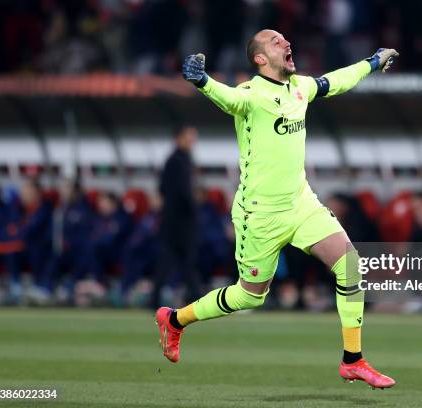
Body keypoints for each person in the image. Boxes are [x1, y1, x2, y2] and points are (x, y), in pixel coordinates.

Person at [155, 29, 398, 389]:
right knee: (249, 295)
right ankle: (175, 320)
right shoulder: (251, 94)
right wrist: (202, 81)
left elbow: (336, 81)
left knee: (350, 265)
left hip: (300, 202)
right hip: (261, 214)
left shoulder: (300, 87)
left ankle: (353, 360)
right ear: (259, 59)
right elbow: (228, 99)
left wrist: (372, 62)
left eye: (285, 39)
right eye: (275, 41)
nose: (286, 43)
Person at [154, 126, 200, 308]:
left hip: (172, 219)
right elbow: (184, 192)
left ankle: (193, 296)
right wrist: (194, 210)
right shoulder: (178, 161)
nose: (192, 142)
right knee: (181, 261)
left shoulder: (176, 160)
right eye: (189, 138)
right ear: (179, 138)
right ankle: (195, 297)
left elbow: (162, 188)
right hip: (180, 221)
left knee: (178, 262)